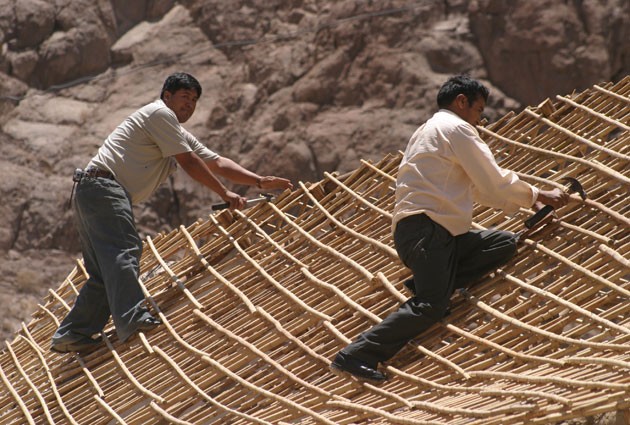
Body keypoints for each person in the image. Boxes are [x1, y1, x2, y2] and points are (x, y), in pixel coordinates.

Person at [330, 75, 569, 382]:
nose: (479, 119)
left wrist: (529, 200)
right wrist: (538, 194)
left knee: (503, 243)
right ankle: (356, 354)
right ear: (461, 102)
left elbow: (478, 189)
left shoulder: (428, 131)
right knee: (432, 306)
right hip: (427, 231)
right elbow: (492, 181)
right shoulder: (456, 128)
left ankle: (432, 281)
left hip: (429, 232)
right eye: (478, 110)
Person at [51, 72, 293, 353]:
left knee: (104, 271)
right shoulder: (160, 114)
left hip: (92, 190)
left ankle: (74, 333)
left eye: (194, 100)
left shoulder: (174, 131)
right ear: (167, 96)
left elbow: (216, 162)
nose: (189, 104)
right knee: (125, 251)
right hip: (104, 188)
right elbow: (189, 162)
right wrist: (224, 193)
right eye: (184, 97)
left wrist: (259, 181)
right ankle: (132, 317)